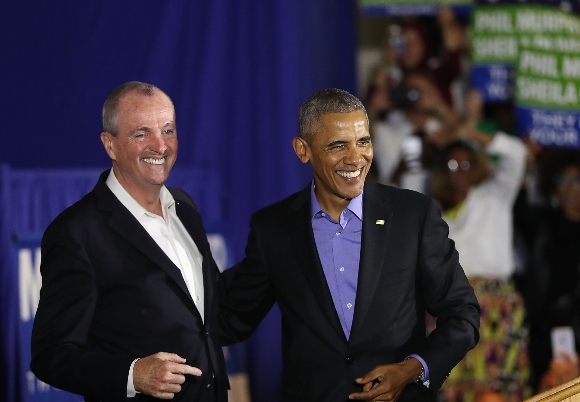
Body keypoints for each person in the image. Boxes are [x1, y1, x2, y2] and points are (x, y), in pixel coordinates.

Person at [219, 88, 480, 401]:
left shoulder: (413, 215)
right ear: (303, 150)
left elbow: (462, 313)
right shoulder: (274, 229)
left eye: (363, 141)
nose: (356, 158)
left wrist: (413, 369)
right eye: (338, 145)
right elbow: (230, 319)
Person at [30, 81, 229, 401]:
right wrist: (131, 374)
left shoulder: (185, 208)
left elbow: (206, 318)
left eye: (168, 130)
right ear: (110, 145)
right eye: (142, 134)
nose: (160, 146)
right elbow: (50, 355)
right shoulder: (77, 232)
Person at [429, 118, 529, 401]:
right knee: (452, 390)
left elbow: (517, 154)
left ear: (477, 167)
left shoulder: (494, 197)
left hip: (497, 306)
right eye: (452, 165)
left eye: (466, 164)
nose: (460, 171)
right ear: (441, 172)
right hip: (451, 312)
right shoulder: (434, 215)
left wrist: (466, 132)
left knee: (496, 389)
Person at [517, 150, 580, 392]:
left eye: (576, 181)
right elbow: (518, 204)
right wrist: (527, 163)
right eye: (562, 181)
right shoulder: (543, 223)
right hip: (544, 330)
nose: (569, 188)